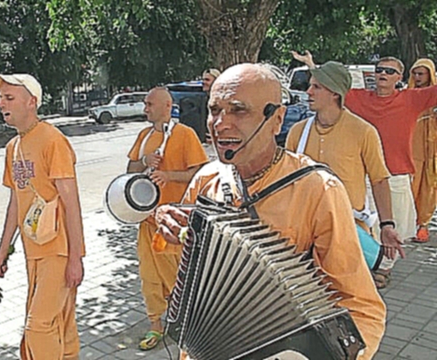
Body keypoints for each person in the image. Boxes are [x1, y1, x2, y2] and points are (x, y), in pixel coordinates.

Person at [155, 64, 385, 359]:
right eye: (214, 110)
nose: (220, 124)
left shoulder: (318, 190)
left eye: (239, 111)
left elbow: (362, 308)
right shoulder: (206, 179)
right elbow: (189, 266)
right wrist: (166, 220)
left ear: (276, 119)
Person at [292, 51, 437, 285]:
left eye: (389, 71)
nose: (382, 74)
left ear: (399, 76)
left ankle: (381, 269)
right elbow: (332, 82)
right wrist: (311, 64)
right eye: (379, 69)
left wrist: (387, 224)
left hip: (395, 176)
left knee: (389, 229)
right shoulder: (356, 99)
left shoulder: (411, 99)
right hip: (356, 184)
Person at [0, 73, 85, 360]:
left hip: (58, 251)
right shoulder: (13, 147)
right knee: (61, 325)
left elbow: (72, 202)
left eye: (9, 97)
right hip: (34, 253)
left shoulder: (52, 140)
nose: (1, 104)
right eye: (0, 98)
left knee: (38, 327)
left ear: (31, 102)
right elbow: (15, 206)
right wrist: (2, 252)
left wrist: (75, 257)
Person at [284, 61, 404, 277]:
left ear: (335, 93)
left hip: (347, 233)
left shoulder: (363, 131)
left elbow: (379, 180)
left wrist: (387, 225)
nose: (308, 92)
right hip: (303, 236)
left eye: (316, 87)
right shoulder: (297, 132)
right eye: (310, 86)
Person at [126, 87, 209, 350]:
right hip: (147, 220)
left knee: (177, 275)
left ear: (167, 106)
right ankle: (155, 327)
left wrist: (169, 176)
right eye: (145, 104)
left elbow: (200, 173)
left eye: (150, 104)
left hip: (174, 224)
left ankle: (185, 325)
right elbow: (130, 170)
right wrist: (144, 160)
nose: (145, 108)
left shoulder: (185, 134)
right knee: (149, 277)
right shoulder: (144, 135)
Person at [408, 59, 437, 243]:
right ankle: (409, 223)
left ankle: (423, 224)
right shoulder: (407, 95)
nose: (418, 78)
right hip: (412, 149)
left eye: (421, 74)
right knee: (411, 186)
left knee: (430, 187)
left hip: (433, 149)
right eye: (415, 73)